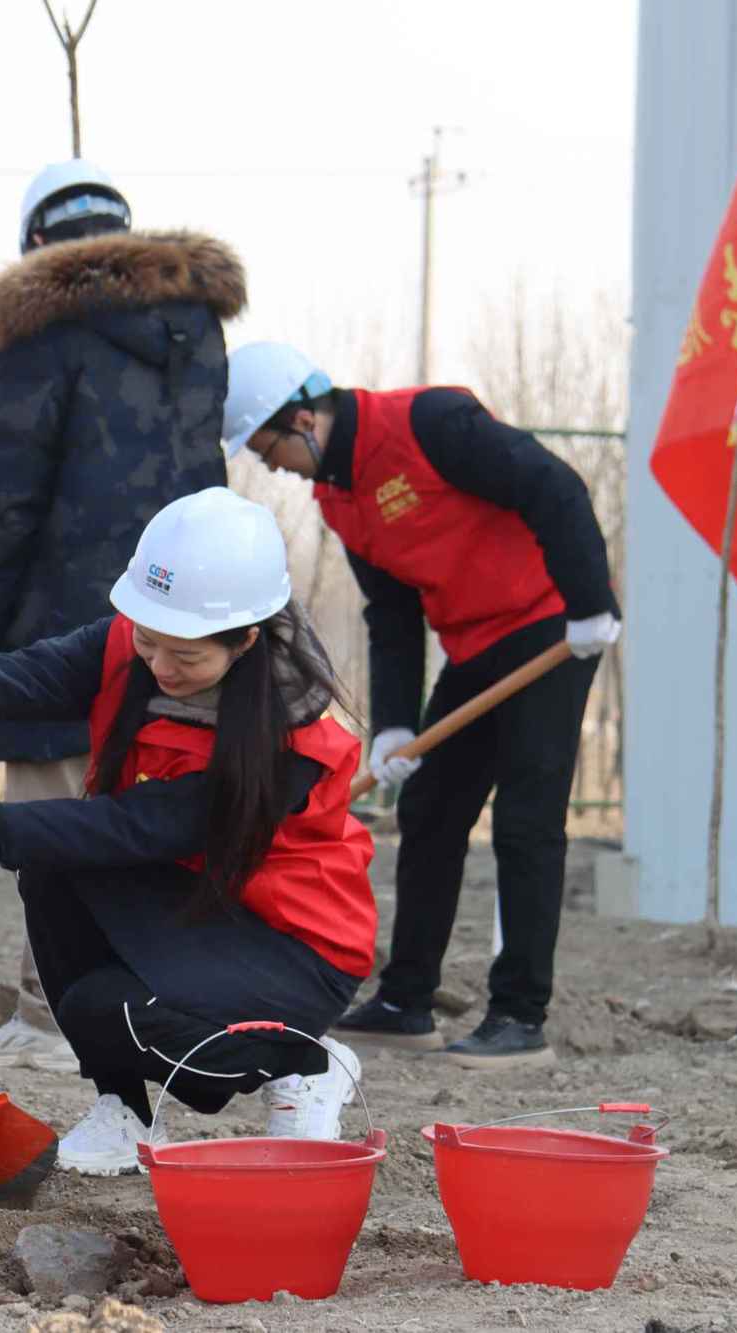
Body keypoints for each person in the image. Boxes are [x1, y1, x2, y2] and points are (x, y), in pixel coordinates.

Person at [0, 488, 374, 1176]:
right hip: (201, 903)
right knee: (54, 876)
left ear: (247, 640)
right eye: (149, 641)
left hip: (296, 947)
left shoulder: (287, 742)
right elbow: (40, 674)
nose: (159, 666)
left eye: (186, 656)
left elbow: (139, 826)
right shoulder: (140, 640)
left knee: (117, 1011)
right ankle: (126, 1112)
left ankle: (305, 1062)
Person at [222, 342, 621, 1069]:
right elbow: (393, 611)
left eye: (269, 446)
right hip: (473, 650)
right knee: (431, 809)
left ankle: (518, 1014)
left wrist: (592, 605)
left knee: (527, 822)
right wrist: (398, 724)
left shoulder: (431, 423)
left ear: (304, 416)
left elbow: (553, 487)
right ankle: (408, 1000)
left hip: (550, 629)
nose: (271, 466)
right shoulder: (336, 498)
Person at [0, 158, 245, 1074]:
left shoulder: (46, 334)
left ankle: (52, 1021)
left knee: (50, 819)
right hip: (182, 623)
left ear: (39, 247)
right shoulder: (195, 331)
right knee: (144, 818)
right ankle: (139, 998)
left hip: (59, 625)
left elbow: (8, 496)